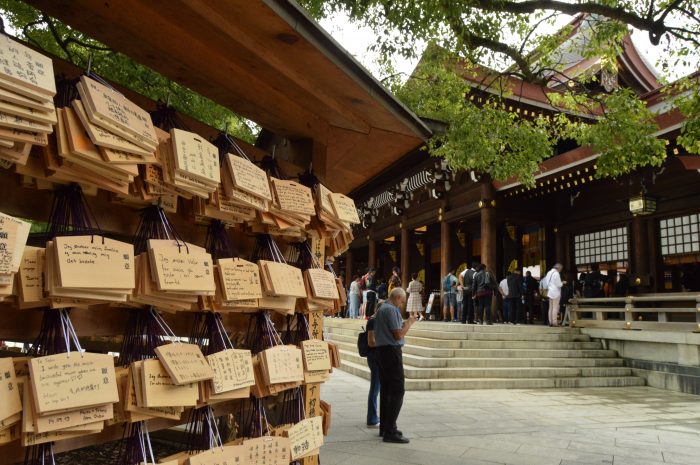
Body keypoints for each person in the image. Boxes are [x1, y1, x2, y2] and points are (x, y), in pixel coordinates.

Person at [374, 288, 415, 443]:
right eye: (402, 301)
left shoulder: (382, 308)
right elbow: (398, 335)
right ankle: (390, 430)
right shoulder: (391, 310)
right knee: (398, 389)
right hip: (391, 351)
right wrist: (409, 323)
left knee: (386, 390)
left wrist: (403, 323)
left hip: (382, 351)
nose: (401, 305)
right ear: (397, 297)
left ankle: (385, 427)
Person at [366, 314, 380, 428]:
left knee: (376, 388)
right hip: (375, 357)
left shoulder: (375, 321)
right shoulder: (373, 321)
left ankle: (374, 416)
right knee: (375, 388)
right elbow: (371, 342)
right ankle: (372, 418)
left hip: (378, 357)